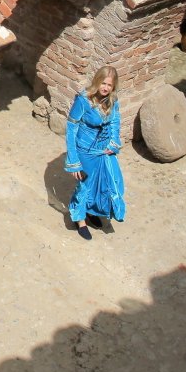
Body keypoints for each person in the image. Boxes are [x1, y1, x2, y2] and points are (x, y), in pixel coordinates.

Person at [64, 63, 126, 240]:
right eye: (103, 83)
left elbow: (115, 122)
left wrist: (113, 143)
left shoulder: (112, 101)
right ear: (97, 82)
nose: (106, 88)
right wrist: (74, 162)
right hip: (85, 151)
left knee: (105, 184)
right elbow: (71, 129)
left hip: (104, 152)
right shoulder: (83, 100)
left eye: (109, 85)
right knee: (85, 186)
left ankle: (91, 211)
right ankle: (79, 219)